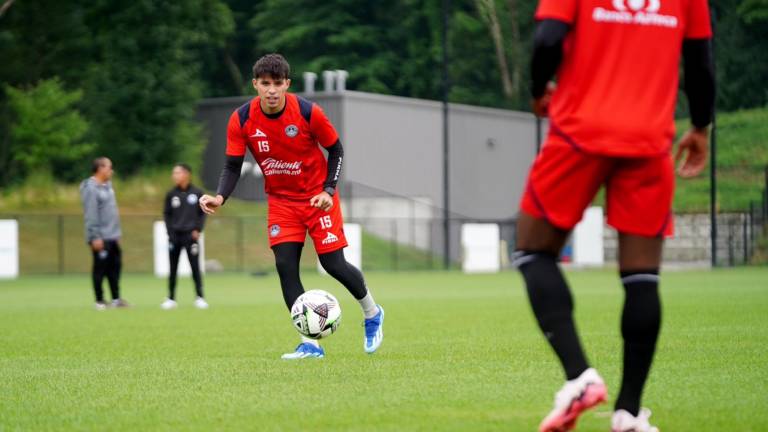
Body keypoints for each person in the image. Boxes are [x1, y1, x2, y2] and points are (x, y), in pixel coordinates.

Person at [514, 0, 714, 430]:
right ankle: (627, 413)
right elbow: (699, 60)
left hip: (578, 133)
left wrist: (537, 90)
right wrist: (700, 126)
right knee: (642, 276)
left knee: (532, 249)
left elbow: (547, 38)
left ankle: (580, 378)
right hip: (648, 142)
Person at [199, 53, 384, 359]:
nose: (271, 90)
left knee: (333, 265)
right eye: (265, 83)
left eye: (277, 83)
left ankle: (372, 313)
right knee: (286, 267)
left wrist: (328, 190)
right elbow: (232, 166)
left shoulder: (309, 113)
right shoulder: (242, 119)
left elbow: (335, 150)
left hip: (317, 199)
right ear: (255, 84)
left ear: (287, 84)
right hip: (282, 202)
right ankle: (310, 344)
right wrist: (220, 197)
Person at [80, 157, 130, 310]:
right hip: (100, 237)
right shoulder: (90, 187)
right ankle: (99, 300)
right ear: (100, 168)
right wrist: (95, 236)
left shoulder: (108, 186)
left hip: (112, 236)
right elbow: (91, 214)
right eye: (109, 167)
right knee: (100, 268)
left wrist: (117, 234)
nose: (111, 170)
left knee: (115, 267)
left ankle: (115, 299)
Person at [162, 163, 208, 310]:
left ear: (186, 174)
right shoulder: (171, 194)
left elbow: (203, 213)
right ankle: (171, 298)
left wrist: (198, 229)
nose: (174, 176)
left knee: (195, 267)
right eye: (174, 173)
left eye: (177, 173)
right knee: (173, 268)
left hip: (191, 236)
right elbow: (167, 214)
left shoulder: (197, 193)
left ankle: (200, 297)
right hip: (175, 236)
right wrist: (170, 233)